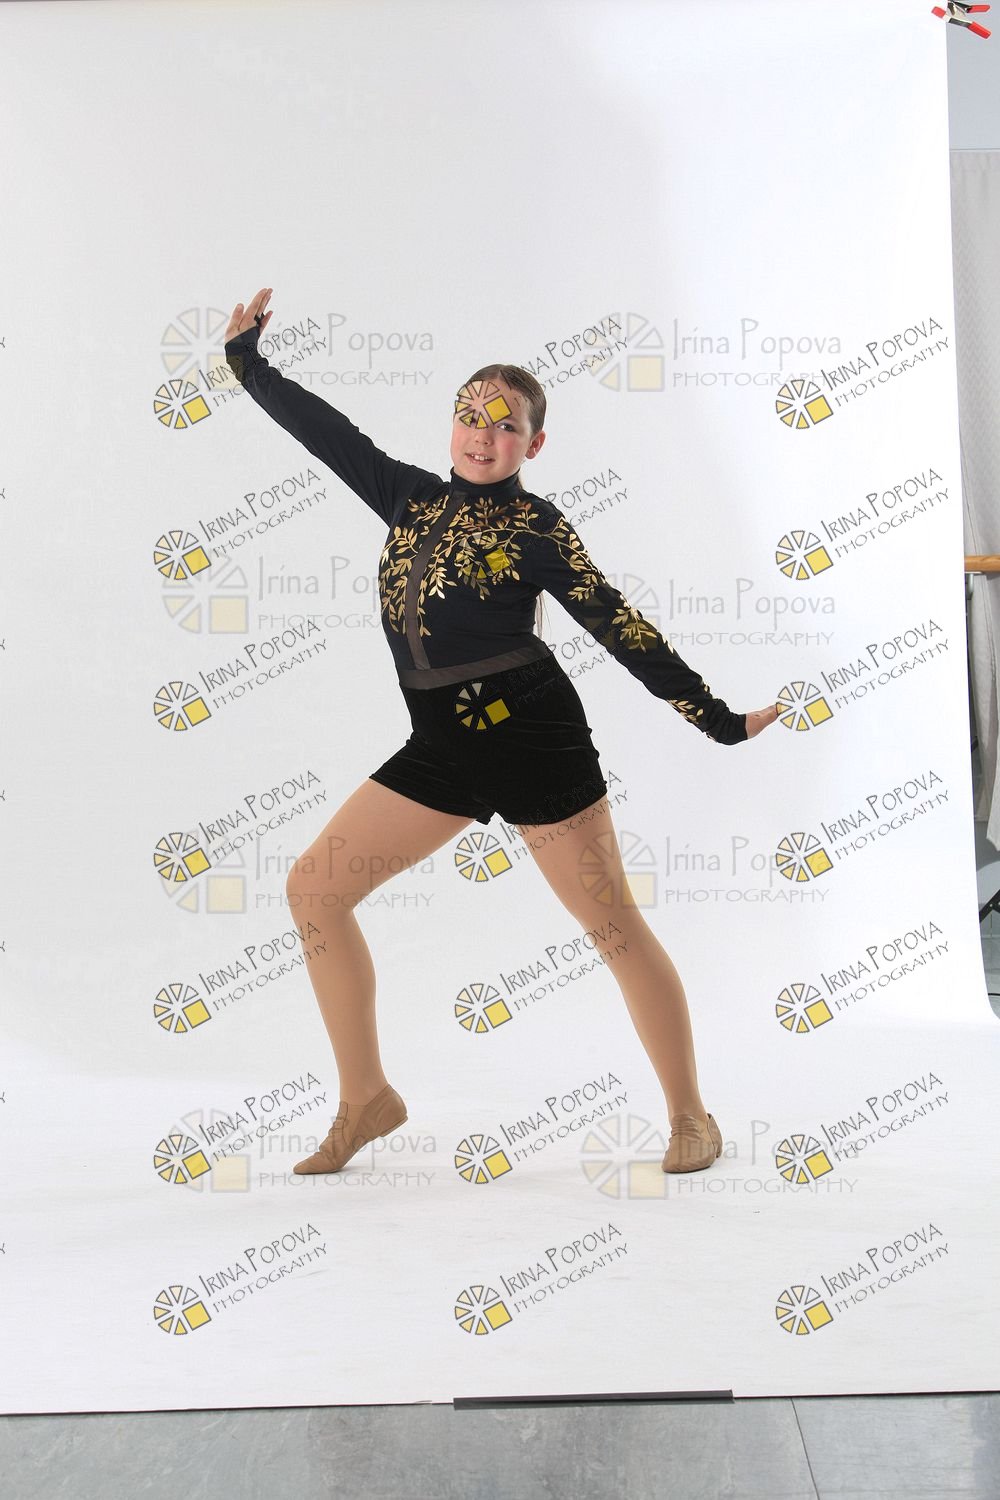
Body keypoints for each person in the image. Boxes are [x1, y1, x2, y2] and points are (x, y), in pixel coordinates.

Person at [223, 287, 779, 1178]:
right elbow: (326, 434)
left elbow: (618, 624)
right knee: (314, 891)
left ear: (534, 443)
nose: (482, 436)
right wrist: (248, 364)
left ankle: (691, 1116)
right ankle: (366, 1099)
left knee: (612, 929)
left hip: (531, 739)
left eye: (504, 425)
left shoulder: (535, 526)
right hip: (442, 743)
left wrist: (716, 719)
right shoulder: (407, 496)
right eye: (469, 417)